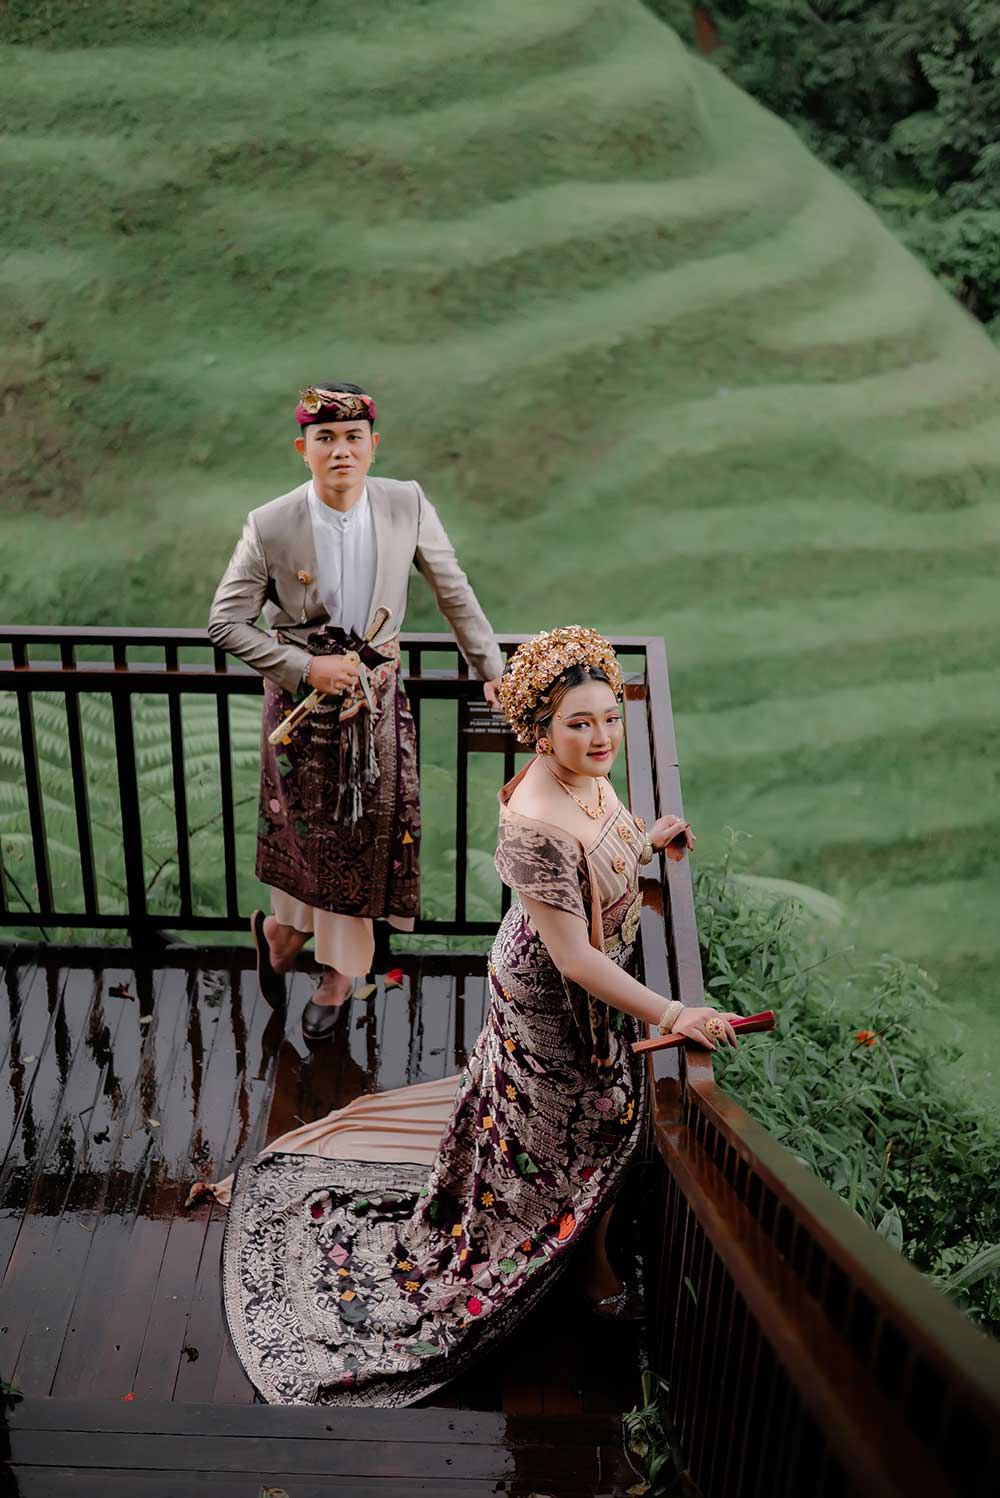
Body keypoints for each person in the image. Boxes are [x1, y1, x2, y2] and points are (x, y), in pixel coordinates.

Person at [215, 626, 737, 1407]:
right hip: (550, 995)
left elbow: (606, 844)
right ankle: (567, 1259)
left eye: (610, 718)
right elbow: (575, 959)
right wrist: (676, 1012)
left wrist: (645, 842)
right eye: (579, 723)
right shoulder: (535, 819)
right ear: (542, 729)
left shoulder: (588, 777)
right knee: (585, 1125)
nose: (602, 736)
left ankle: (580, 1253)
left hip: (587, 985)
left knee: (600, 1123)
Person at [208, 383, 503, 1041]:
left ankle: (338, 972)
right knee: (308, 841)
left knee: (366, 836)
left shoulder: (406, 503)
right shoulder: (270, 524)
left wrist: (493, 671)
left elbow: (454, 593)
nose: (340, 450)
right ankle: (284, 935)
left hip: (376, 707)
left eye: (352, 438)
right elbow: (225, 623)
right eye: (325, 439)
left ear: (373, 445)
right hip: (300, 712)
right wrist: (304, 667)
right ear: (303, 449)